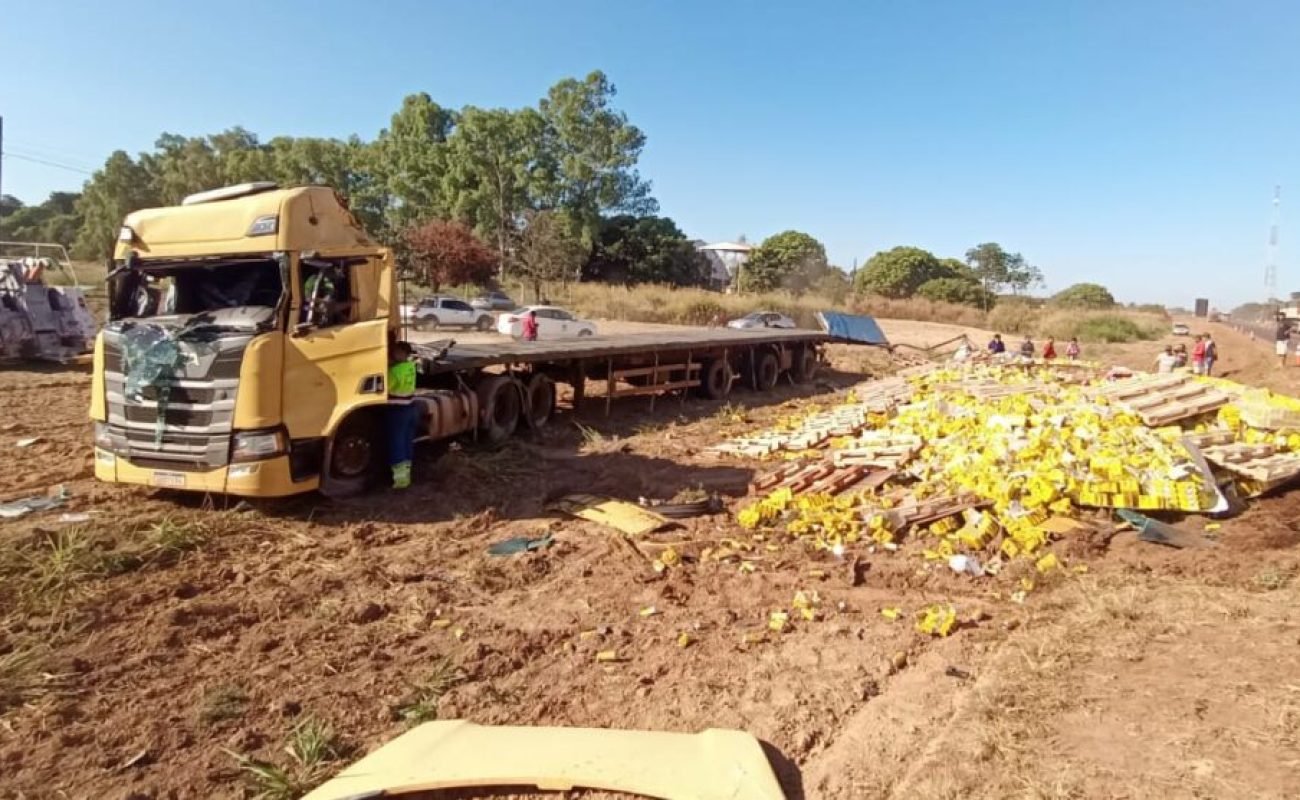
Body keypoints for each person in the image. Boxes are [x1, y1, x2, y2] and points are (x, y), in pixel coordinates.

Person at [386, 340, 418, 490]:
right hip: (410, 407)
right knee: (406, 441)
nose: (393, 354)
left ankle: (400, 481)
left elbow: (385, 388)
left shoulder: (394, 372)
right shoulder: (410, 366)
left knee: (396, 442)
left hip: (397, 410)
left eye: (396, 352)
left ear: (403, 354)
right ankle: (407, 473)